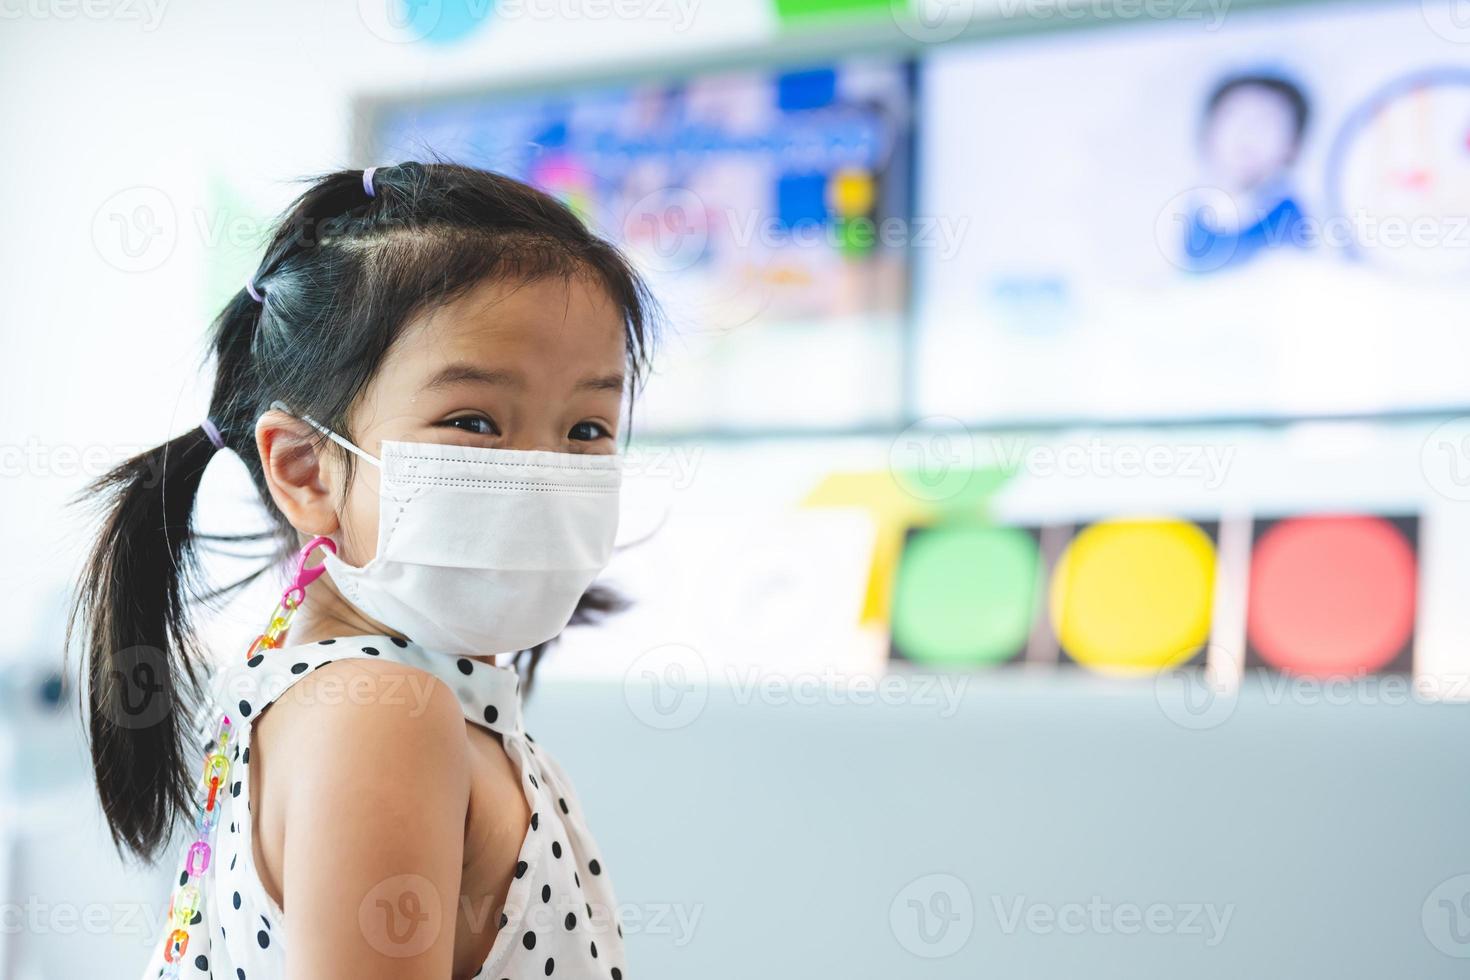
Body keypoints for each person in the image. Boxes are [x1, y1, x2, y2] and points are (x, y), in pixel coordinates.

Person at [71, 162, 654, 980]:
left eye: (589, 429)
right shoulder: (384, 715)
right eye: (475, 420)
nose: (542, 473)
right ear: (307, 470)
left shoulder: (402, 701)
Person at [1183, 73, 1313, 272]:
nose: (1246, 132)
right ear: (1207, 131)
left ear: (1292, 145)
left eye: (1265, 121)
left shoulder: (1292, 218)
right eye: (1233, 116)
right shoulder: (1185, 209)